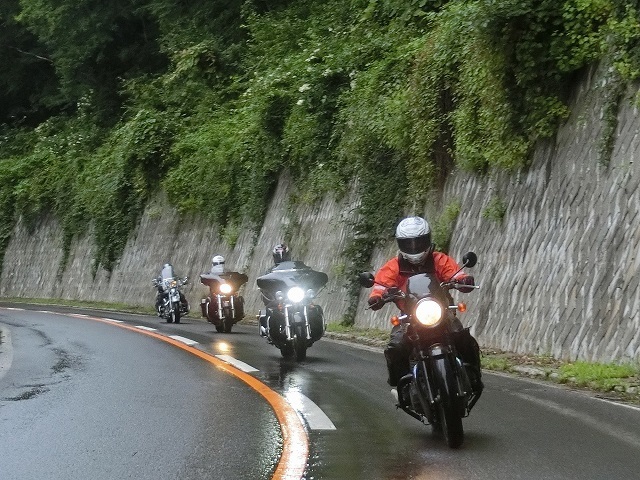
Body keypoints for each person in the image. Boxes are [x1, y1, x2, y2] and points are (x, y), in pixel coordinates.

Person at [368, 216, 483, 395]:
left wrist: (463, 280)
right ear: (400, 244)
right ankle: (403, 388)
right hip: (409, 317)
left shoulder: (439, 260)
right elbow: (381, 285)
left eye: (419, 242)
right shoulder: (393, 267)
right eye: (408, 243)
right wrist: (377, 297)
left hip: (442, 312)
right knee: (397, 346)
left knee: (463, 338)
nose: (414, 247)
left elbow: (454, 273)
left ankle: (474, 377)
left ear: (428, 240)